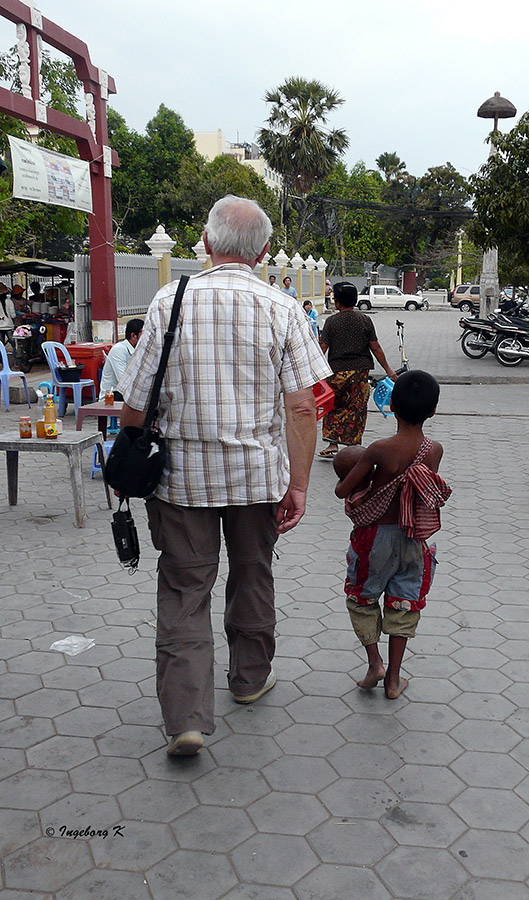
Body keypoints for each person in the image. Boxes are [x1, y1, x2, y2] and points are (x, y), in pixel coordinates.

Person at [117, 195, 331, 757]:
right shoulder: (284, 309)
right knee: (253, 572)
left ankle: (187, 718)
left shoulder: (170, 301)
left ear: (207, 246)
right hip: (257, 478)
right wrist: (301, 484)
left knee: (186, 589)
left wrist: (123, 456)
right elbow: (304, 408)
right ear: (263, 252)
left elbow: (137, 399)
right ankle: (250, 679)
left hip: (181, 478)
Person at [333, 370, 451, 699]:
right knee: (404, 603)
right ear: (433, 410)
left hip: (374, 539)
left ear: (392, 406)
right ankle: (394, 679)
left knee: (362, 598)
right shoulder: (434, 450)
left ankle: (374, 663)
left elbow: (342, 490)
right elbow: (417, 490)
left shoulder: (379, 449)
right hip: (414, 539)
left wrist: (365, 474)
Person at [318, 281, 396, 458]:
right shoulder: (365, 320)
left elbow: (322, 347)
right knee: (357, 408)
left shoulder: (331, 322)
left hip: (336, 372)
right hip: (360, 372)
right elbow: (375, 348)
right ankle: (353, 448)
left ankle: (332, 444)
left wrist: (310, 370)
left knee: (333, 406)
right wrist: (389, 370)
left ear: (337, 302)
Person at [99, 318, 144, 401]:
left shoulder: (140, 350)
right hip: (112, 396)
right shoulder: (119, 350)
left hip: (129, 393)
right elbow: (124, 382)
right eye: (144, 334)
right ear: (133, 336)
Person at [0, 283, 16, 356]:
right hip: (9, 326)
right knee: (13, 345)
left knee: (1, 345)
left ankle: (2, 360)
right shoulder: (9, 301)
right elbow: (13, 315)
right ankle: (16, 362)